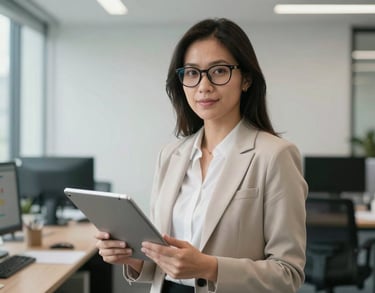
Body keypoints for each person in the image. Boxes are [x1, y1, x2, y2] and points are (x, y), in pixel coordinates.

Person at [96, 18, 308, 293]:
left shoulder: (275, 155)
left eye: (219, 71)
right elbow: (160, 262)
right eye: (192, 73)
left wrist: (208, 267)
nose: (203, 86)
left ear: (246, 79)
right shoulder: (170, 155)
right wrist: (132, 258)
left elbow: (288, 274)